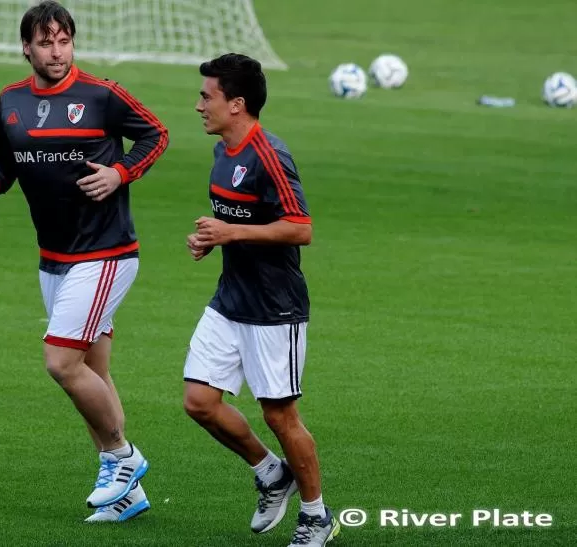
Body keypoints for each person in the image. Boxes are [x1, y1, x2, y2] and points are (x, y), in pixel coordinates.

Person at [0, 0, 168, 523]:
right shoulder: (10, 100)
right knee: (91, 377)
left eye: (63, 41)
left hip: (104, 254)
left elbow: (156, 134)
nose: (55, 52)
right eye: (45, 43)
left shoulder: (100, 95)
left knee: (61, 363)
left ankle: (123, 459)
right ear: (26, 48)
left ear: (72, 43)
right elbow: (4, 156)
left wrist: (120, 174)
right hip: (52, 259)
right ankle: (127, 496)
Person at [183, 53, 339, 546]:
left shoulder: (269, 154)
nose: (198, 105)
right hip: (231, 299)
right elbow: (239, 225)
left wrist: (230, 231)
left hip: (275, 308)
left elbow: (301, 229)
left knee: (280, 416)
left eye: (207, 96)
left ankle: (316, 515)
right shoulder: (221, 155)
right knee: (199, 401)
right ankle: (273, 474)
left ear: (237, 104)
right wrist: (214, 239)